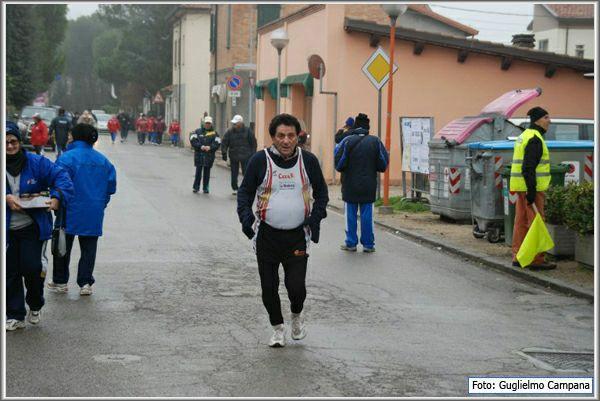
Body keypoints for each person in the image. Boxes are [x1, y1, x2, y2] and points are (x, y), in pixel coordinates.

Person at [237, 113, 328, 348]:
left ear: (298, 137)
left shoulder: (308, 161)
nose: (286, 141)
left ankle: (296, 317)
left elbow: (322, 194)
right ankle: (277, 328)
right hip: (267, 236)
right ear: (272, 138)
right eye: (280, 136)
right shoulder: (259, 161)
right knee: (269, 287)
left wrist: (314, 220)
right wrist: (247, 221)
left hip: (297, 236)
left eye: (290, 136)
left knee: (296, 287)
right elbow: (245, 193)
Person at [5, 121, 74, 331]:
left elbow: (61, 177)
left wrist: (56, 197)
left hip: (32, 228)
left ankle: (35, 304)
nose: (9, 146)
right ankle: (15, 314)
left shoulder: (36, 163)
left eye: (13, 141)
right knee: (9, 273)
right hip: (7, 232)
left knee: (32, 268)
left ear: (20, 141)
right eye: (5, 142)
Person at [47, 124, 117, 295]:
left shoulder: (66, 159)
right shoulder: (103, 161)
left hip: (68, 209)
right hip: (93, 210)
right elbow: (111, 187)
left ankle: (60, 281)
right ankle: (85, 283)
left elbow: (58, 182)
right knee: (89, 248)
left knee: (62, 244)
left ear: (76, 136)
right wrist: (101, 202)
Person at [334, 113, 389, 253]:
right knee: (367, 216)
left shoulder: (346, 141)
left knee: (350, 216)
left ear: (355, 126)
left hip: (350, 185)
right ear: (368, 127)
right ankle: (368, 245)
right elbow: (383, 165)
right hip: (369, 185)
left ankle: (351, 243)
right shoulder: (375, 142)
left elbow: (339, 165)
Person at [510, 107, 556, 270]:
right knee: (536, 223)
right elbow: (528, 167)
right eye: (546, 117)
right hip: (532, 189)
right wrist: (531, 190)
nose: (549, 121)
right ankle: (536, 259)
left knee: (521, 222)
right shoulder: (535, 139)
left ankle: (518, 256)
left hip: (521, 187)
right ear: (537, 120)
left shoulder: (524, 136)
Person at [221, 114, 257, 195]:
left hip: (246, 156)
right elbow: (224, 142)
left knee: (246, 173)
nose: (234, 125)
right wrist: (224, 153)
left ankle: (246, 188)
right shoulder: (229, 132)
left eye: (235, 123)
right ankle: (235, 188)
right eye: (234, 123)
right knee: (234, 173)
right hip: (234, 156)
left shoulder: (248, 131)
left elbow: (253, 143)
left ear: (240, 123)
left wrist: (253, 154)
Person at [190, 116, 221, 194]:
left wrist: (210, 147)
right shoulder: (197, 131)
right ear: (204, 123)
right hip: (199, 155)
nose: (207, 124)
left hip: (209, 156)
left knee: (207, 174)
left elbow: (217, 143)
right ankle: (196, 187)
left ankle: (205, 188)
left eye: (209, 123)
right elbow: (193, 140)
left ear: (211, 124)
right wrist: (201, 146)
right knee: (198, 173)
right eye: (206, 123)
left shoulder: (215, 133)